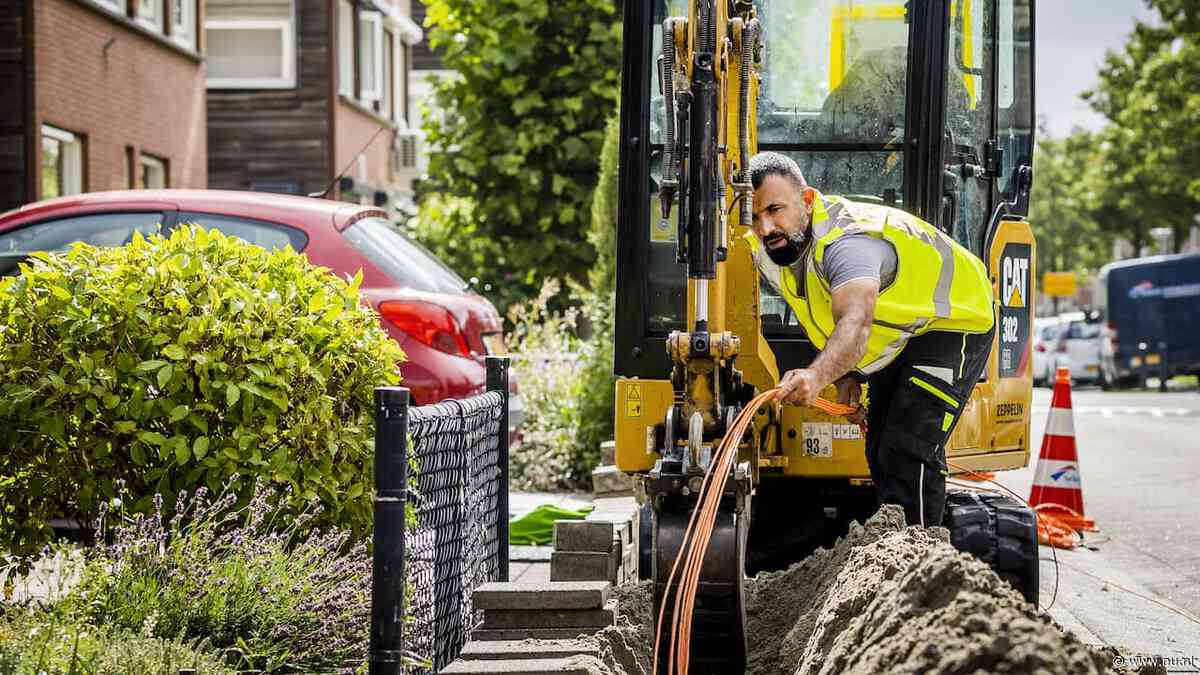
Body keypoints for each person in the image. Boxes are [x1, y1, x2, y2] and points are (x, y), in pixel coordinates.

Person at [745, 151, 995, 527]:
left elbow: (856, 322)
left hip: (955, 320)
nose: (765, 228)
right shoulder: (773, 248)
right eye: (754, 217)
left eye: (775, 210)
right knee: (879, 450)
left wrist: (816, 377)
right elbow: (822, 311)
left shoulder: (848, 243)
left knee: (907, 448)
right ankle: (893, 555)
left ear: (808, 200)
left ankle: (920, 562)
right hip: (904, 332)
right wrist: (848, 375)